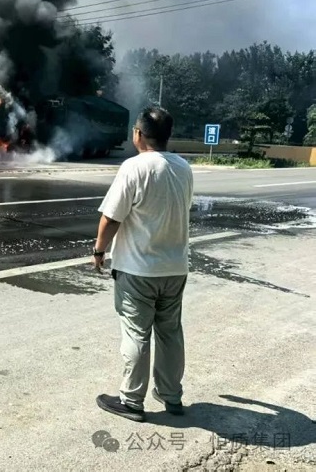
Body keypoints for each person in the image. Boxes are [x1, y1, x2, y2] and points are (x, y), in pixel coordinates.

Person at [92, 106, 194, 422]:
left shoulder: (134, 167)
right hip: (175, 268)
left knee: (137, 333)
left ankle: (132, 401)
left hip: (138, 270)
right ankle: (171, 396)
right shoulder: (184, 168)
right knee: (170, 333)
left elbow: (111, 217)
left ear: (138, 134)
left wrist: (99, 250)